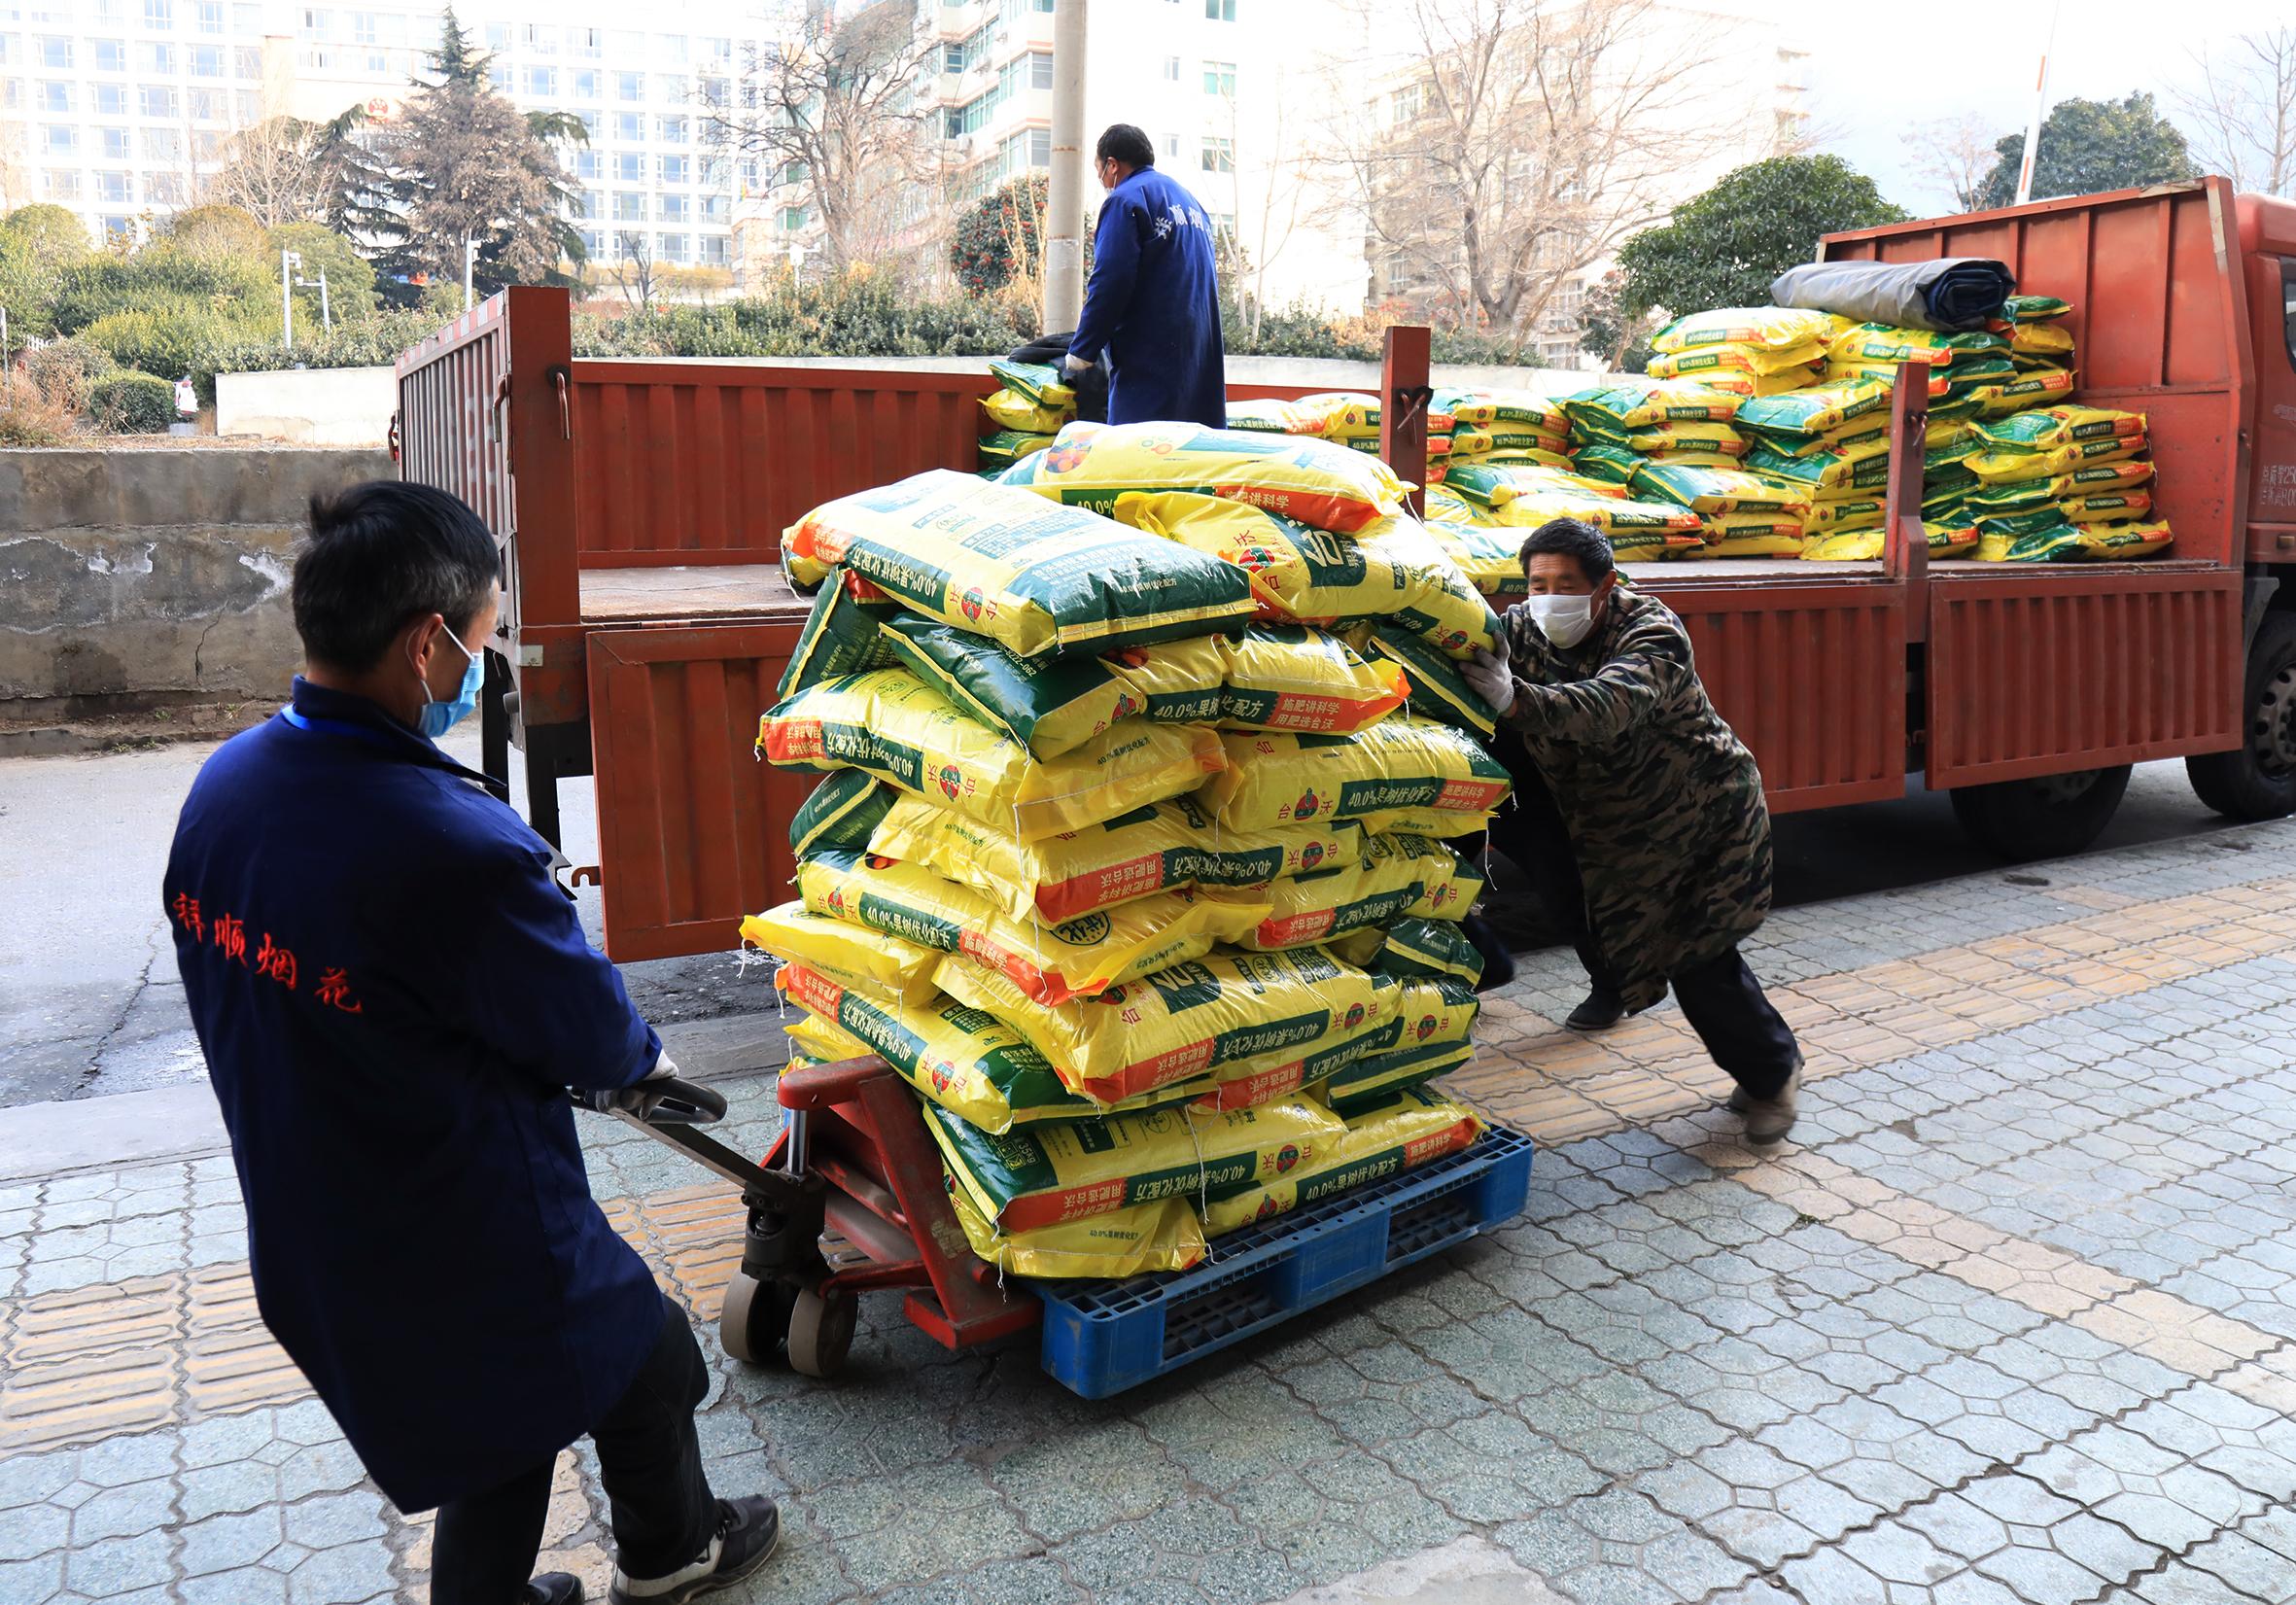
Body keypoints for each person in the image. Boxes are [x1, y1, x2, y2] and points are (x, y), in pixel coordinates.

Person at [163, 482, 780, 1605]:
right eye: (484, 638)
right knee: (513, 1434)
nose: (481, 666)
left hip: (313, 1208)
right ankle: (608, 1568)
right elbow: (589, 1030)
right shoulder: (451, 844)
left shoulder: (225, 791)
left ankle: (670, 1543)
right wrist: (648, 1066)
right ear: (425, 643)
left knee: (642, 1354)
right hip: (463, 1219)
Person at [1462, 518, 1804, 1142]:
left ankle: (1771, 1074)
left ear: (1605, 586)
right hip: (1602, 815)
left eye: (1566, 583)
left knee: (1695, 954)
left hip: (1699, 818)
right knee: (1571, 896)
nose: (1549, 596)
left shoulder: (1651, 631)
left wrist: (1516, 701)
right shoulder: (1519, 630)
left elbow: (1608, 707)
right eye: (1537, 582)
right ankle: (1597, 982)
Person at [1064, 122, 1227, 429]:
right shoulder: (1190, 202)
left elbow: (1110, 280)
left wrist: (1082, 351)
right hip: (1199, 358)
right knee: (1192, 463)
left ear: (1112, 165)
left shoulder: (1125, 200)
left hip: (1151, 361)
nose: (1103, 181)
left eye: (1100, 172)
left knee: (1140, 461)